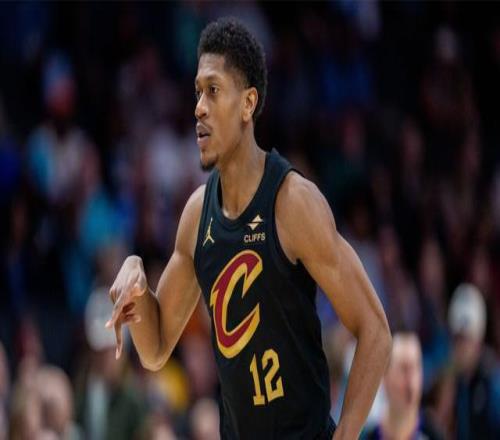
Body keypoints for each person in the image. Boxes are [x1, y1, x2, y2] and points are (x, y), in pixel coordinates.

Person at [106, 17, 391, 439]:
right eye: (197, 92)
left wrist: (346, 433)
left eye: (213, 90)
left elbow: (375, 330)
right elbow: (156, 348)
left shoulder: (292, 202)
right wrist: (137, 281)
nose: (199, 107)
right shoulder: (196, 215)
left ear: (247, 104)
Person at [364, 332, 443, 440]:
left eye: (415, 368)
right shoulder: (368, 436)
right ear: (385, 377)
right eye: (404, 369)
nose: (411, 382)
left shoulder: (434, 435)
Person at [448, 283, 500, 440]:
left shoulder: (493, 383)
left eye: (466, 340)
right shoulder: (458, 381)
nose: (461, 348)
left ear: (478, 342)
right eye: (457, 339)